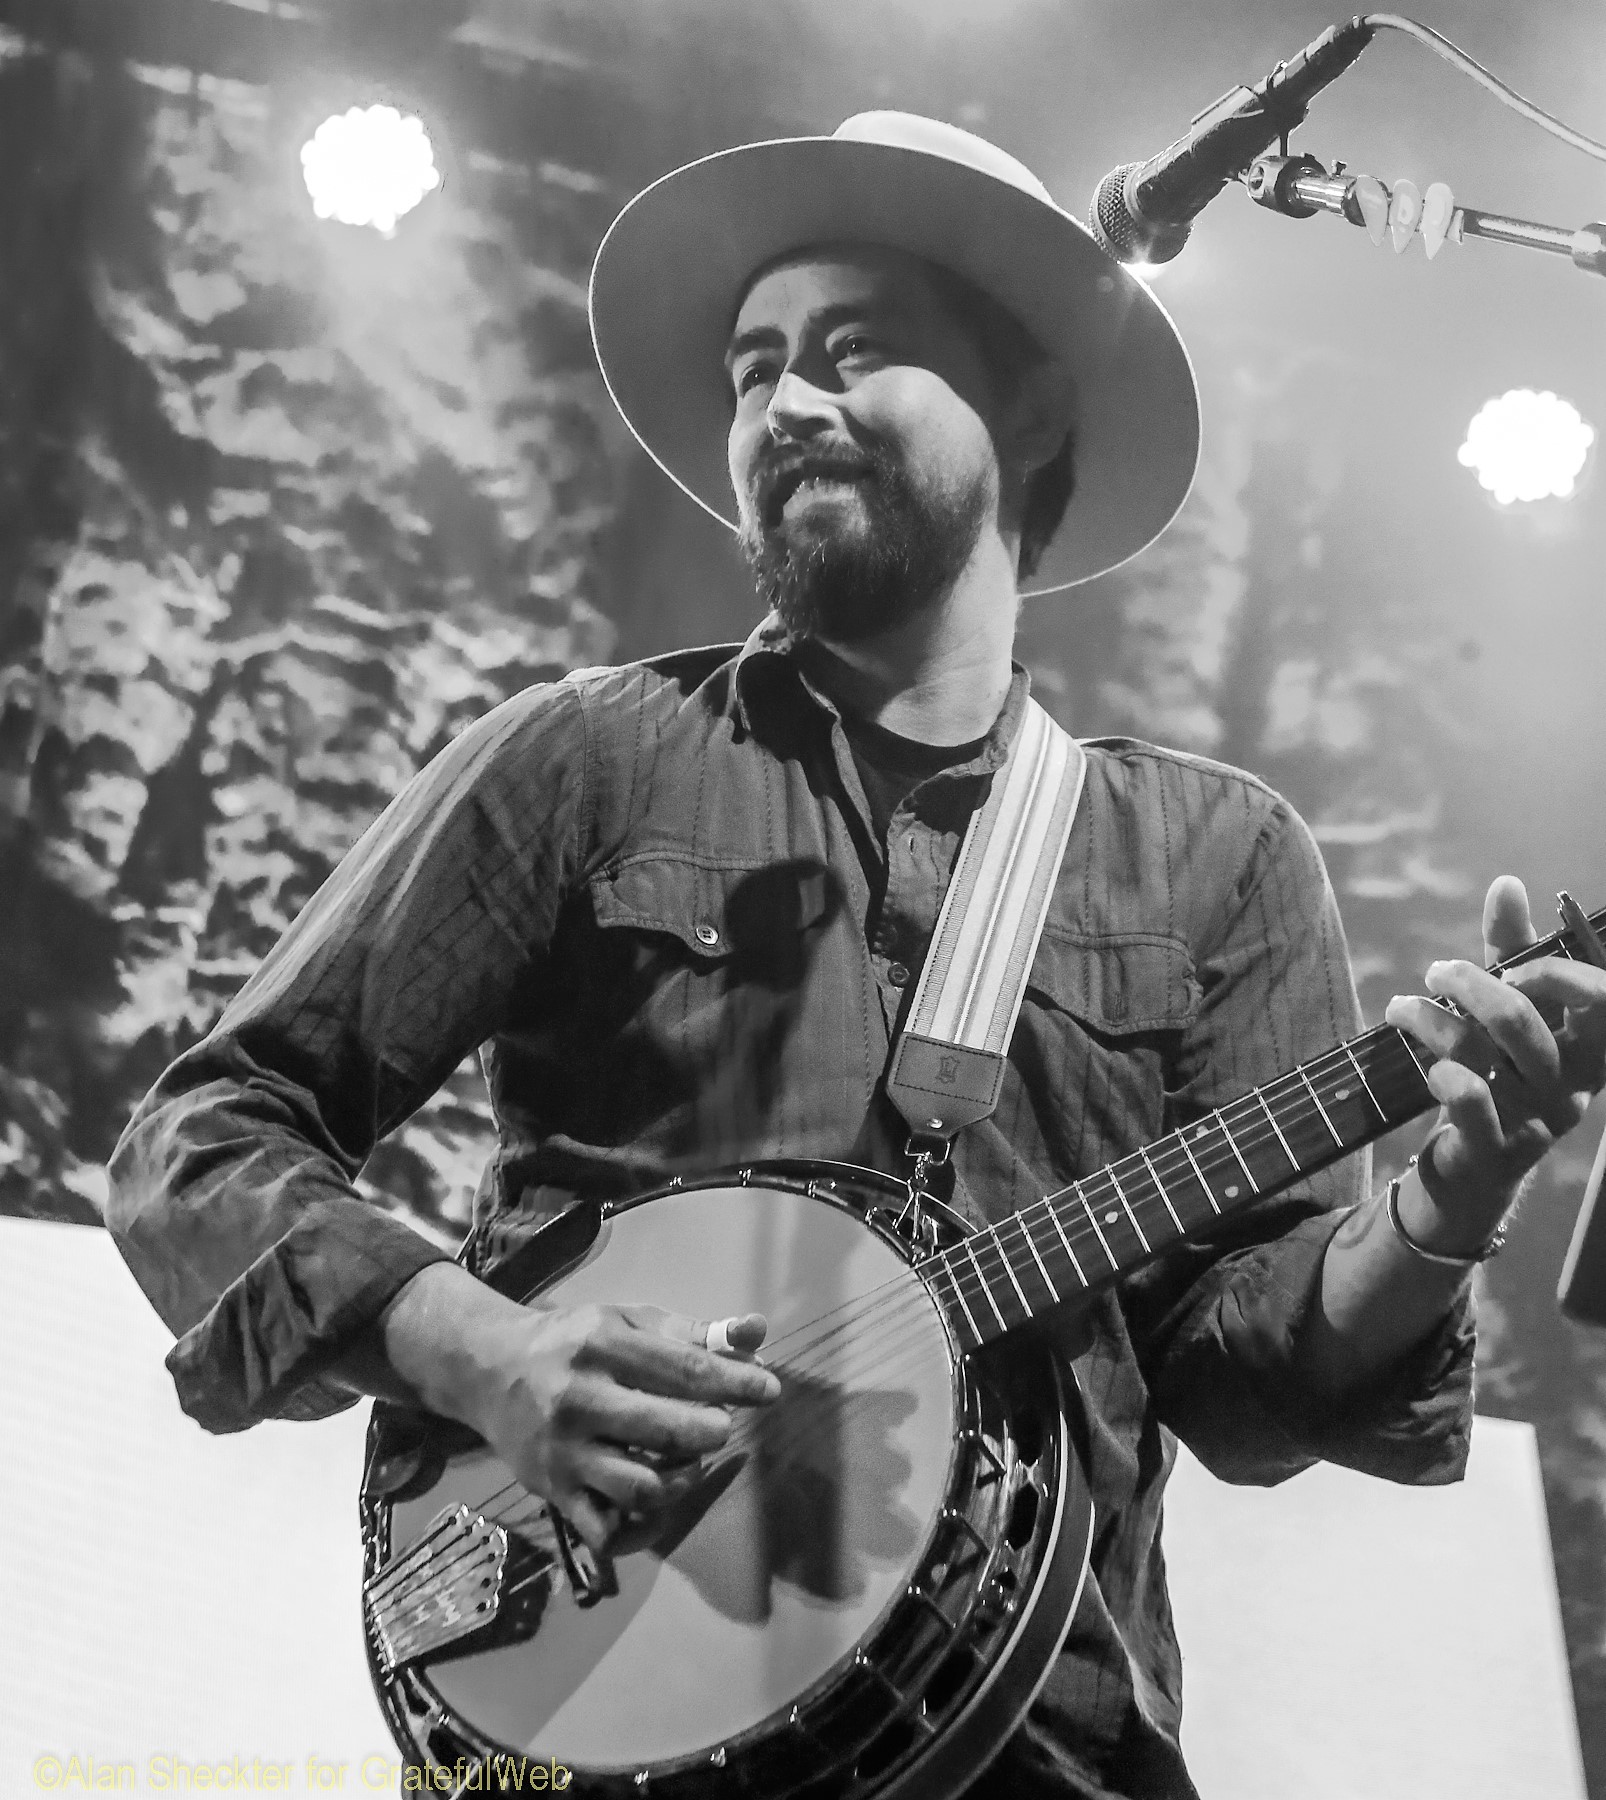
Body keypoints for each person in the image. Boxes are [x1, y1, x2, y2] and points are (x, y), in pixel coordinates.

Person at [106, 113, 1606, 1799]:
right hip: (605, 1731)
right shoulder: (587, 757)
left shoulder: (1217, 853)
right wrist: (488, 1352)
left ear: (1031, 404)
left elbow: (1244, 1384)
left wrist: (1448, 1201)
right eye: (754, 370)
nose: (781, 404)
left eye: (852, 350)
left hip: (1041, 1751)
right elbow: (199, 1140)